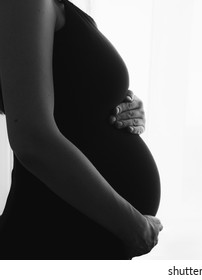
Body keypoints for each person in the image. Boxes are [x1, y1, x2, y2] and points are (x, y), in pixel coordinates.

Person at [0, 0, 163, 259]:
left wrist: (121, 103)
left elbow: (69, 99)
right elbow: (32, 139)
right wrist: (133, 225)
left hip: (80, 236)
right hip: (52, 236)